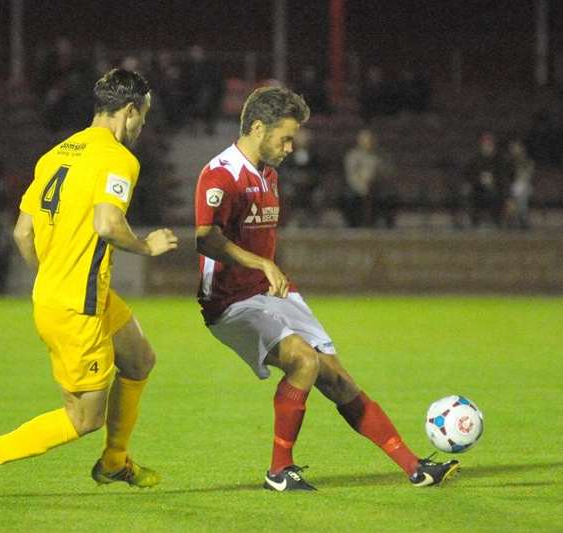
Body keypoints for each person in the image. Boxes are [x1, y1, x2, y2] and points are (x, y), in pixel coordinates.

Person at [193, 87, 458, 492]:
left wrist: (268, 271)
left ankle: (414, 468)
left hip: (270, 293)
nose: (290, 146)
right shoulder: (220, 174)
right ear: (257, 127)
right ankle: (279, 471)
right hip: (228, 302)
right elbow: (205, 237)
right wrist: (262, 263)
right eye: (284, 137)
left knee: (336, 377)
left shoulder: (270, 174)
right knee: (304, 361)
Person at [0, 69, 179, 497]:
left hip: (66, 294)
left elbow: (23, 233)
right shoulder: (117, 158)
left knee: (140, 359)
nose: (142, 127)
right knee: (84, 418)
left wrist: (55, 274)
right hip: (79, 307)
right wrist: (147, 246)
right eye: (143, 118)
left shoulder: (55, 154)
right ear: (129, 111)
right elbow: (108, 224)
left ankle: (114, 462)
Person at [343, 129, 396, 228]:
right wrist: (363, 187)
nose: (369, 143)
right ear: (360, 141)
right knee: (349, 198)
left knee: (389, 197)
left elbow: (389, 172)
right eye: (366, 140)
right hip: (358, 187)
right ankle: (353, 225)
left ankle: (387, 226)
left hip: (379, 186)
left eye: (371, 140)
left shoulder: (383, 155)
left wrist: (377, 180)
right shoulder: (353, 155)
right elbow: (351, 176)